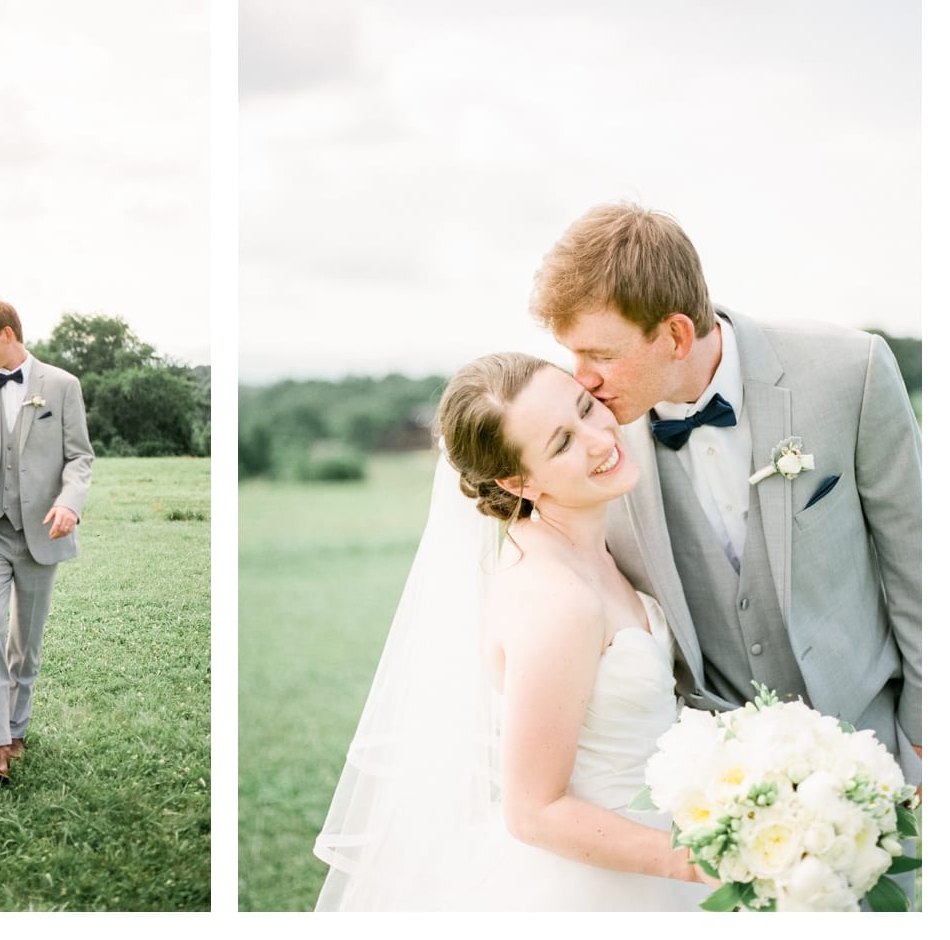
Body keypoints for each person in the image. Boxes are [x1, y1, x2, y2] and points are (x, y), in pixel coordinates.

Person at [529, 202, 921, 789]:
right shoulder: (586, 444)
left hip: (875, 750)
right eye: (573, 354)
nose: (580, 379)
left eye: (601, 356)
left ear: (676, 334)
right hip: (705, 787)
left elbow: (920, 564)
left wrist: (925, 733)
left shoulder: (850, 372)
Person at [315, 352, 713, 910]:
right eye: (562, 443)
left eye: (586, 408)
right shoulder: (558, 599)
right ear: (516, 479)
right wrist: (704, 860)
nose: (600, 438)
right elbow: (534, 811)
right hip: (603, 890)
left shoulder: (587, 547)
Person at [0, 299, 93, 785]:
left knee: (25, 640)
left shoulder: (63, 385)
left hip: (41, 534)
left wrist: (70, 502)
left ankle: (16, 727)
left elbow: (80, 458)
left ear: (8, 334)